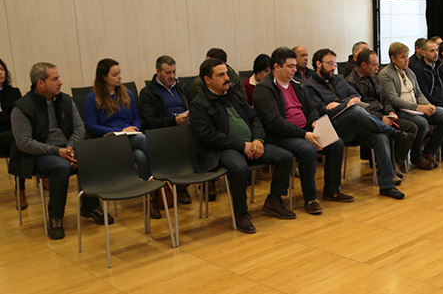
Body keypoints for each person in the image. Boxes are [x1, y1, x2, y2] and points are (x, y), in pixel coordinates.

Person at [190, 57, 295, 233]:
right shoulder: (199, 104)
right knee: (239, 169)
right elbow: (209, 136)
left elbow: (255, 118)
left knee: (285, 157)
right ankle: (241, 214)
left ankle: (274, 200)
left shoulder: (234, 95)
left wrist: (258, 140)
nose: (227, 78)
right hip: (222, 149)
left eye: (227, 73)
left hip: (251, 143)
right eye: (221, 75)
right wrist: (242, 145)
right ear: (207, 79)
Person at [9, 62, 106, 239]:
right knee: (60, 167)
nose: (60, 82)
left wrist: (68, 148)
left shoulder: (65, 100)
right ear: (40, 83)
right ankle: (55, 218)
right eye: (55, 79)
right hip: (38, 155)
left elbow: (79, 128)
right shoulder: (21, 108)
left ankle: (90, 206)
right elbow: (24, 143)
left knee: (87, 158)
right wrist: (57, 151)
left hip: (66, 149)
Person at [253, 47, 353, 214]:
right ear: (277, 67)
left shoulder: (298, 85)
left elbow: (311, 107)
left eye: (294, 66)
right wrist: (304, 135)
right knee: (307, 150)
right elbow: (274, 122)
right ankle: (310, 198)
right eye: (290, 66)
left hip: (305, 130)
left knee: (336, 143)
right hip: (280, 136)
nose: (294, 70)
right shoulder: (264, 89)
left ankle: (332, 189)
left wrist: (314, 122)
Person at [304, 48, 408, 199]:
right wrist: (346, 105)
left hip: (353, 125)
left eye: (334, 63)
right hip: (331, 128)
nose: (334, 67)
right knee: (354, 111)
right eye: (330, 63)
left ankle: (387, 185)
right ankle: (390, 131)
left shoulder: (339, 79)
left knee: (380, 137)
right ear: (318, 64)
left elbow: (356, 96)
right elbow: (322, 111)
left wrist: (340, 103)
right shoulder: (310, 86)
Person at [84, 58, 161, 219]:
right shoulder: (93, 98)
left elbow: (136, 118)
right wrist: (121, 130)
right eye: (115, 74)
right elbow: (91, 126)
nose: (119, 77)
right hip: (109, 141)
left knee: (140, 156)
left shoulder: (127, 93)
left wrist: (134, 128)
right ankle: (164, 168)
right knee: (141, 140)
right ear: (104, 77)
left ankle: (150, 200)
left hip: (130, 137)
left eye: (119, 73)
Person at [378, 42, 443, 169]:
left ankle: (429, 151)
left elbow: (419, 93)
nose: (407, 60)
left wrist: (428, 105)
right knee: (422, 123)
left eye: (407, 56)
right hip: (401, 110)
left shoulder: (409, 72)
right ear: (393, 59)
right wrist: (419, 108)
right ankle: (417, 156)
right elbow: (393, 99)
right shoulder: (385, 74)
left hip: (417, 108)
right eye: (403, 57)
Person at [346, 48, 418, 176]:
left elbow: (385, 98)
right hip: (367, 120)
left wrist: (390, 112)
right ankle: (388, 171)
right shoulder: (351, 82)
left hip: (383, 115)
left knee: (411, 128)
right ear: (363, 65)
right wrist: (380, 118)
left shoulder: (374, 77)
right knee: (386, 132)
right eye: (374, 65)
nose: (377, 68)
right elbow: (359, 109)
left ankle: (397, 162)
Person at [138, 54, 192, 204]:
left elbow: (192, 106)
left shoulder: (181, 87)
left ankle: (206, 181)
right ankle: (181, 187)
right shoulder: (148, 92)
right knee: (180, 144)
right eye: (168, 73)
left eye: (174, 72)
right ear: (158, 72)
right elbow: (148, 122)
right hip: (164, 132)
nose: (172, 76)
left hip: (185, 127)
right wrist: (173, 121)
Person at [0, 57, 25, 209]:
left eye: (2, 69)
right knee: (20, 139)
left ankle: (20, 188)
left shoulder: (14, 92)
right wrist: (7, 118)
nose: (0, 73)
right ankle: (20, 188)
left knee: (19, 143)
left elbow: (21, 115)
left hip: (13, 135)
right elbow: (11, 116)